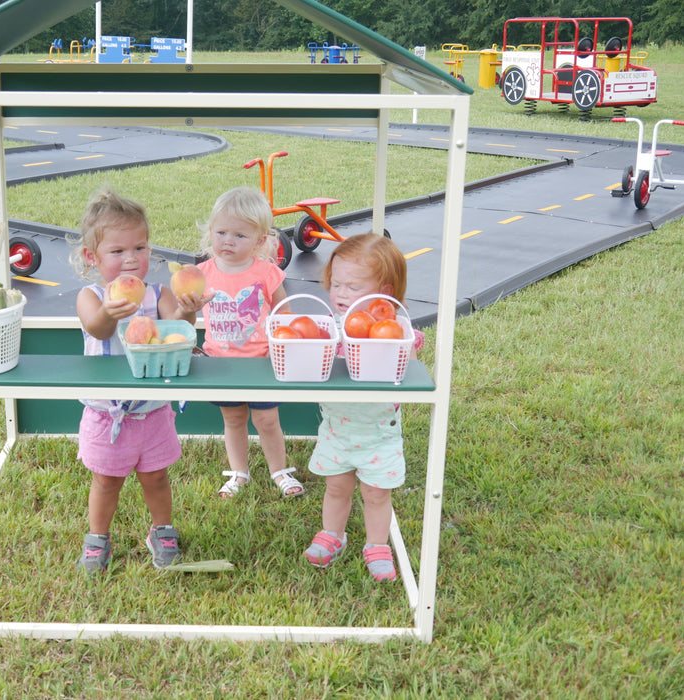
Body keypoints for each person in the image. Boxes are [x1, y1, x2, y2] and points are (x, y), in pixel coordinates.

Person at [70, 187, 210, 574]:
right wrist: (110, 313)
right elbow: (97, 331)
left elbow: (175, 332)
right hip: (107, 414)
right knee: (106, 482)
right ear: (92, 257)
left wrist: (187, 310)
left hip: (153, 411)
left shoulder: (158, 293)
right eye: (117, 252)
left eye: (140, 248)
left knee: (156, 477)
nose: (131, 259)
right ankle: (98, 538)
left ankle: (162, 530)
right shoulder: (92, 295)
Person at [302, 233, 424, 582]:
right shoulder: (332, 327)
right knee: (336, 487)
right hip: (337, 428)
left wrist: (399, 346)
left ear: (383, 291)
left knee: (376, 492)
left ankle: (376, 544)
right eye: (335, 284)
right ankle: (332, 534)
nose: (340, 293)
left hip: (377, 434)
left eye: (352, 286)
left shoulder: (394, 328)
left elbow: (410, 369)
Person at [196, 186, 305, 500]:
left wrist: (293, 340)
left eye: (239, 236)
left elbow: (285, 312)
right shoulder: (202, 273)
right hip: (222, 364)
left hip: (262, 361)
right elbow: (184, 313)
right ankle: (239, 473)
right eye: (221, 232)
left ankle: (279, 471)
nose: (228, 240)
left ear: (259, 241)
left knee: (267, 419)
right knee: (233, 418)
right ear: (211, 231)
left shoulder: (266, 273)